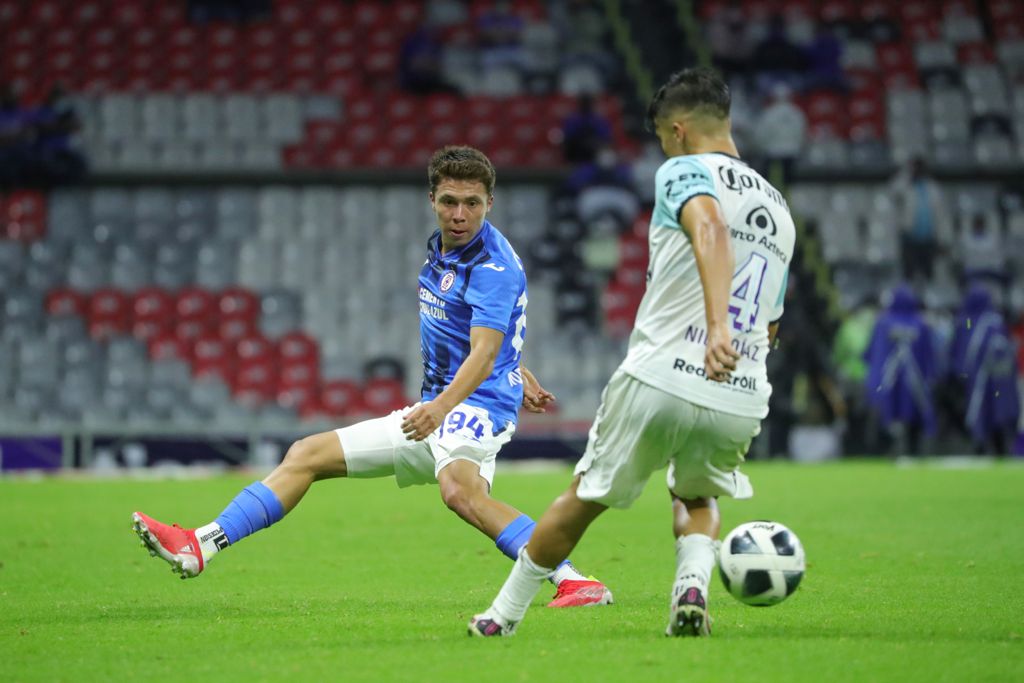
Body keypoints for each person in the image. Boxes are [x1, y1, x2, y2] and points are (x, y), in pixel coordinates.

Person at [131, 146, 612, 608]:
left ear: (491, 202)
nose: (460, 214)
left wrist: (453, 400)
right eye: (449, 202)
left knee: (459, 492)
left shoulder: (491, 267)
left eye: (472, 203)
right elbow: (488, 335)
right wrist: (516, 370)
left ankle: (574, 580)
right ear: (432, 201)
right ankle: (202, 544)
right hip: (444, 404)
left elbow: (484, 352)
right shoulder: (447, 249)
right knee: (307, 454)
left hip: (474, 407)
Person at [468, 67, 796, 637]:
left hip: (663, 374)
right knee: (696, 493)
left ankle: (502, 617)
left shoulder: (684, 170)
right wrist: (730, 340)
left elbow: (711, 228)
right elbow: (770, 328)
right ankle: (691, 589)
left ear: (678, 130)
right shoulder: (781, 212)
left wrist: (715, 325)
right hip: (740, 392)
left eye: (662, 140)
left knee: (583, 498)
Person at [863, 284, 939, 455]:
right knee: (914, 416)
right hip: (915, 384)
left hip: (888, 383)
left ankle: (885, 451)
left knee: (886, 415)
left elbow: (871, 354)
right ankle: (913, 451)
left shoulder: (882, 323)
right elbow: (930, 356)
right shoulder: (922, 325)